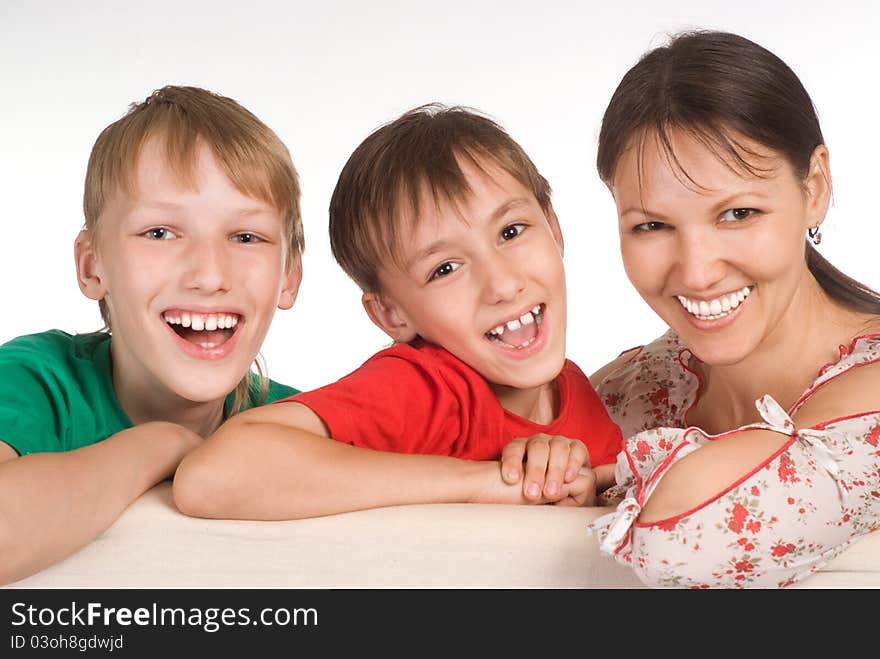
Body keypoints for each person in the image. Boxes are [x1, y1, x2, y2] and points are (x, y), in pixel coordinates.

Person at [173, 104, 623, 521]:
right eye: (445, 268)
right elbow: (213, 476)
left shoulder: (575, 392)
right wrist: (492, 484)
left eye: (511, 231)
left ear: (555, 228)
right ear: (392, 315)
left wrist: (577, 488)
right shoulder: (428, 388)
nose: (503, 285)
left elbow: (611, 491)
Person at [586, 30, 880, 588]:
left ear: (814, 185)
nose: (696, 272)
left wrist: (604, 477)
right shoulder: (628, 395)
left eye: (738, 214)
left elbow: (685, 543)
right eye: (651, 226)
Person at [0, 85, 304, 585]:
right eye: (160, 232)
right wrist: (163, 444)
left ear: (289, 276)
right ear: (92, 265)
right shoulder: (38, 382)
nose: (209, 274)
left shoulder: (304, 425)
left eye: (246, 237)